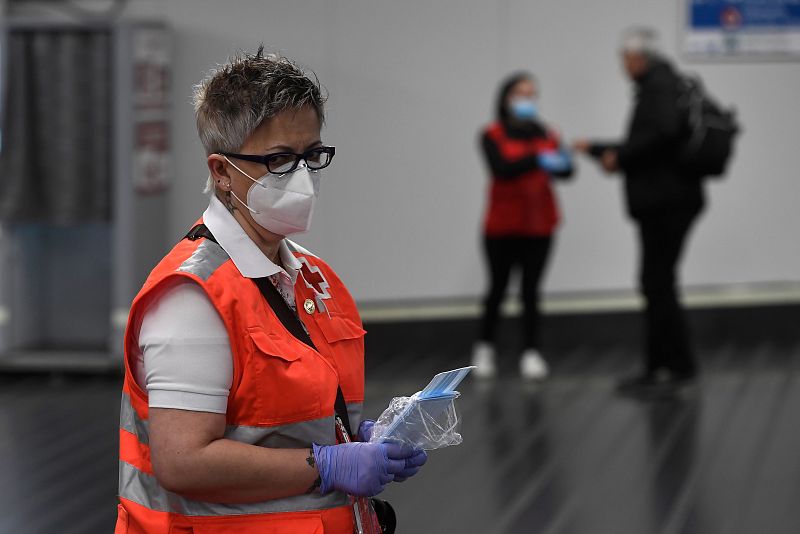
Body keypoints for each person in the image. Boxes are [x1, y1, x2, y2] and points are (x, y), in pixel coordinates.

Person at [115, 48, 426, 533]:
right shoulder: (192, 297)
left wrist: (353, 440)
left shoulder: (310, 277)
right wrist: (328, 465)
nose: (301, 178)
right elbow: (182, 462)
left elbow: (287, 419)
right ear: (221, 172)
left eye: (311, 156)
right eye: (279, 159)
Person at [574, 28, 704, 396]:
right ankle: (670, 365)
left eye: (624, 57)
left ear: (638, 58)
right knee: (658, 282)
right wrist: (601, 149)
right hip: (670, 200)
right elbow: (649, 142)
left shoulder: (658, 86)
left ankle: (668, 367)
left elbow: (660, 135)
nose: (622, 64)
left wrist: (621, 156)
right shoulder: (663, 84)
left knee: (656, 282)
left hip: (665, 202)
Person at [471, 72, 574, 380]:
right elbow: (501, 169)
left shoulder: (546, 133)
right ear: (506, 98)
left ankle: (531, 351)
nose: (527, 100)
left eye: (532, 94)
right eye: (520, 94)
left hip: (540, 224)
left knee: (531, 290)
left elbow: (567, 169)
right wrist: (539, 159)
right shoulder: (492, 133)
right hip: (502, 225)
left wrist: (561, 161)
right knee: (498, 288)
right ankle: (485, 346)